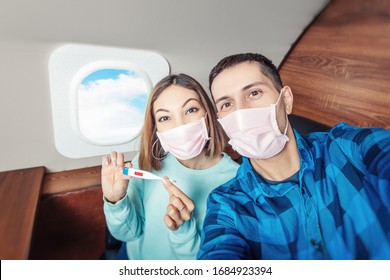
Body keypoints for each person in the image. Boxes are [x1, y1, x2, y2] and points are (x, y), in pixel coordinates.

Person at [197, 53, 390, 260]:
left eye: (254, 93)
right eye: (227, 105)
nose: (241, 113)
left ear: (286, 100)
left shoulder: (347, 147)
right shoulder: (227, 204)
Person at [101, 73, 239, 260]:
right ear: (156, 129)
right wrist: (115, 201)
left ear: (208, 113)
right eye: (165, 118)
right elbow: (127, 234)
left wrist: (183, 230)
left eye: (190, 110)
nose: (180, 125)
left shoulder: (235, 180)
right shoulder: (144, 163)